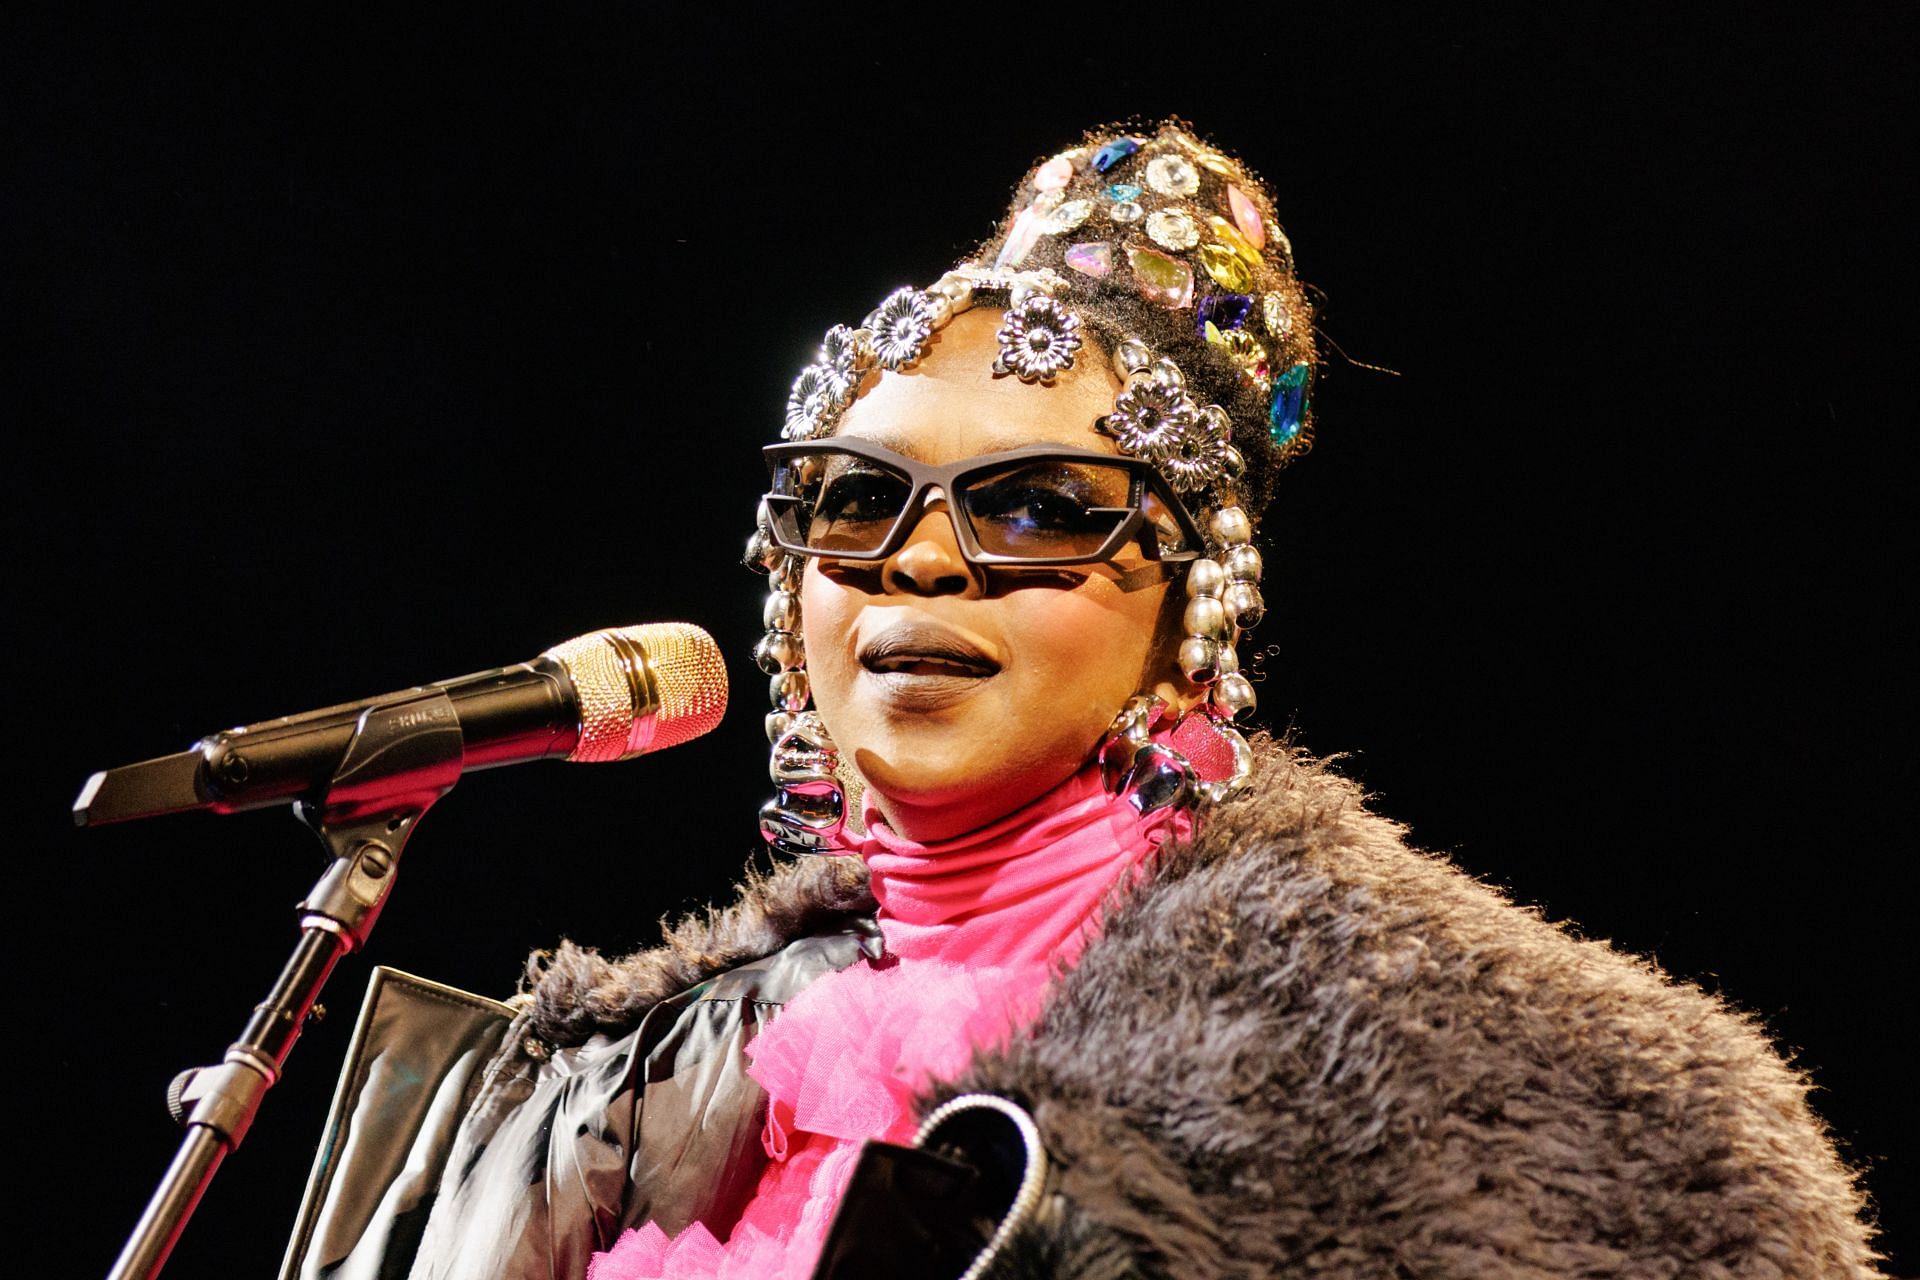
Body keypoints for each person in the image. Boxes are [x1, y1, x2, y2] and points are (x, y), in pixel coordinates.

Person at [282, 121, 1881, 1279]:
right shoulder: (589, 1091)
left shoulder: (1518, 1092)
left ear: (1195, 603)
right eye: (851, 502)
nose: (920, 566)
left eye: (1039, 509)